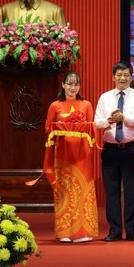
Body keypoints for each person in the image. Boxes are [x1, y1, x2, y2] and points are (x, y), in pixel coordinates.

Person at [94, 61, 134, 242]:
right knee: (112, 191)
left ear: (131, 77)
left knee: (132, 191)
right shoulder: (105, 97)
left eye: (126, 75)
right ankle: (114, 230)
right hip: (110, 149)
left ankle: (132, 230)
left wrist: (124, 118)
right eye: (119, 75)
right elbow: (97, 122)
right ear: (113, 77)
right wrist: (109, 120)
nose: (122, 78)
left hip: (132, 148)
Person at [44, 71, 98, 242]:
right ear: (63, 85)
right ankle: (65, 232)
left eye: (75, 84)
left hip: (83, 153)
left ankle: (84, 232)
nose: (72, 87)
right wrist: (61, 126)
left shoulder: (86, 104)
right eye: (69, 83)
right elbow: (47, 128)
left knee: (82, 189)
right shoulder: (55, 105)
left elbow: (92, 128)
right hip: (63, 153)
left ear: (79, 86)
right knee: (65, 190)